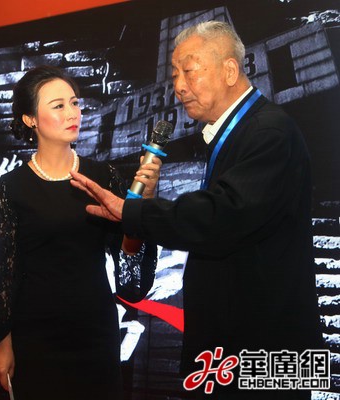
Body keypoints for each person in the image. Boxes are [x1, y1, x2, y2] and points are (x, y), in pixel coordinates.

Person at [70, 21, 323, 399]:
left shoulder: (268, 132)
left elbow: (221, 216)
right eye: (175, 74)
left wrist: (132, 213)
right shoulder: (243, 131)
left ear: (230, 71)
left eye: (189, 71)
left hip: (264, 351)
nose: (179, 86)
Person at [0, 65, 161, 400]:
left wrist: (142, 208)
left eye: (74, 103)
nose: (72, 113)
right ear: (30, 119)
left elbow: (129, 266)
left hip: (95, 333)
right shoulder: (12, 187)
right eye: (58, 105)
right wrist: (3, 342)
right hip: (35, 337)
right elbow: (1, 272)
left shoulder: (102, 177)